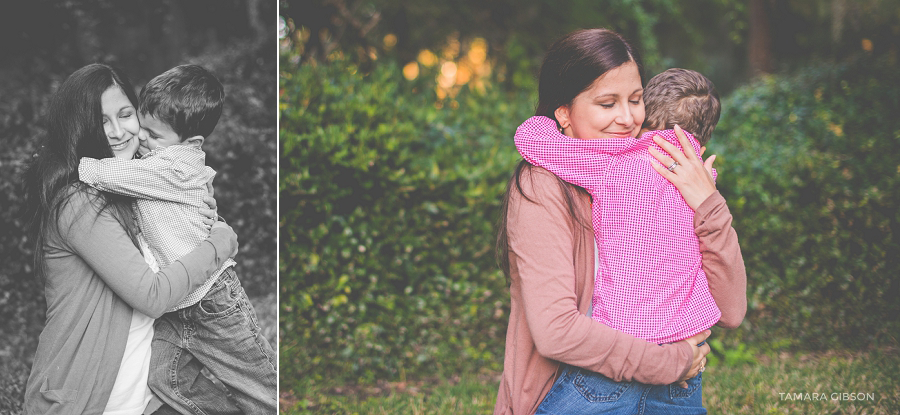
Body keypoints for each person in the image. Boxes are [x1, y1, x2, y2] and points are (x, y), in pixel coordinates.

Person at [494, 29, 746, 415]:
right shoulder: (542, 185)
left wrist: (708, 204)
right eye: (607, 104)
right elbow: (557, 331)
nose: (628, 119)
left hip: (676, 390)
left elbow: (731, 309)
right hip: (590, 386)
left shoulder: (664, 176)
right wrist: (670, 361)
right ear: (563, 112)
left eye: (636, 99)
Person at [23, 63, 238, 414]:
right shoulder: (77, 202)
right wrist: (221, 243)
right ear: (80, 128)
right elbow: (152, 296)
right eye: (101, 121)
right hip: (92, 400)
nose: (118, 131)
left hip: (154, 393)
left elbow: (188, 222)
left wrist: (205, 212)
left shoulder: (134, 186)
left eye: (125, 114)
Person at [78, 64, 277, 414]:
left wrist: (72, 166)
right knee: (165, 380)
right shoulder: (161, 155)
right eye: (144, 127)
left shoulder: (173, 167)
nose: (141, 139)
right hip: (177, 307)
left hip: (213, 301)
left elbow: (108, 174)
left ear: (192, 143)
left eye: (154, 136)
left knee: (261, 390)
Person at [513, 68, 729, 345]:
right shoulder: (705, 181)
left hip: (627, 331)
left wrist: (555, 117)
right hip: (689, 333)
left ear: (646, 113)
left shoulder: (617, 162)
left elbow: (532, 141)